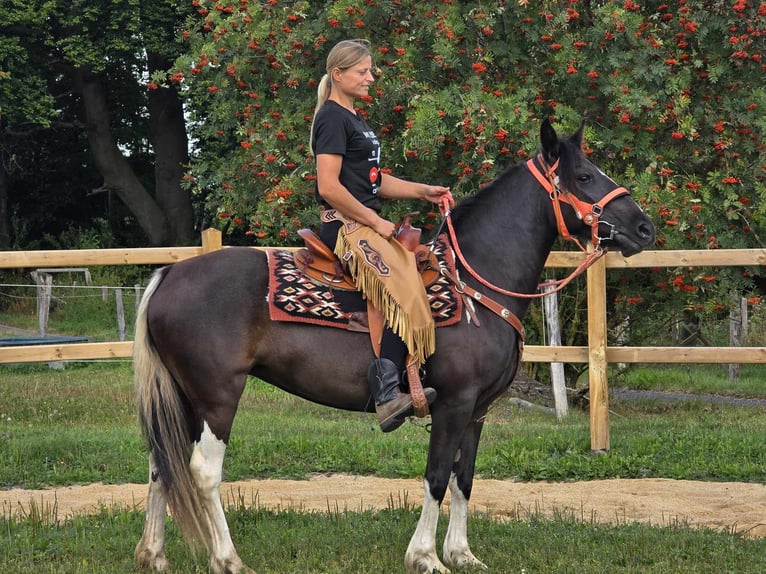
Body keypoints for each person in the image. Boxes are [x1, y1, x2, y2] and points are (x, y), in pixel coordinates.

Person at [309, 39, 453, 432]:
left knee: (412, 274)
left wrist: (423, 190)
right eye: (363, 71)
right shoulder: (332, 118)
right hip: (345, 226)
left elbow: (373, 180)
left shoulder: (354, 118)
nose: (371, 77)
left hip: (362, 220)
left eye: (370, 70)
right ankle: (388, 393)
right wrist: (374, 221)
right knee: (402, 283)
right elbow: (329, 186)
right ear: (338, 74)